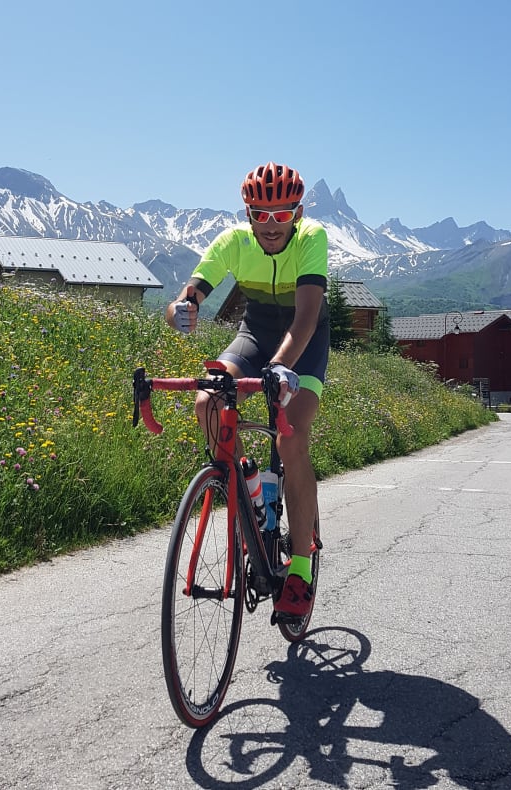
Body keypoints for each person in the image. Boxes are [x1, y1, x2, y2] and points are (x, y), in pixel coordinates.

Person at [165, 161, 329, 618]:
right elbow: (186, 297)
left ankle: (299, 568)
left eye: (283, 214)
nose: (272, 225)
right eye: (262, 214)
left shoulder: (312, 237)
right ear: (248, 213)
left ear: (298, 212)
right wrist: (180, 309)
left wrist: (279, 369)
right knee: (207, 401)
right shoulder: (232, 243)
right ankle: (244, 486)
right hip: (255, 333)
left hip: (304, 341)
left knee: (290, 436)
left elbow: (306, 318)